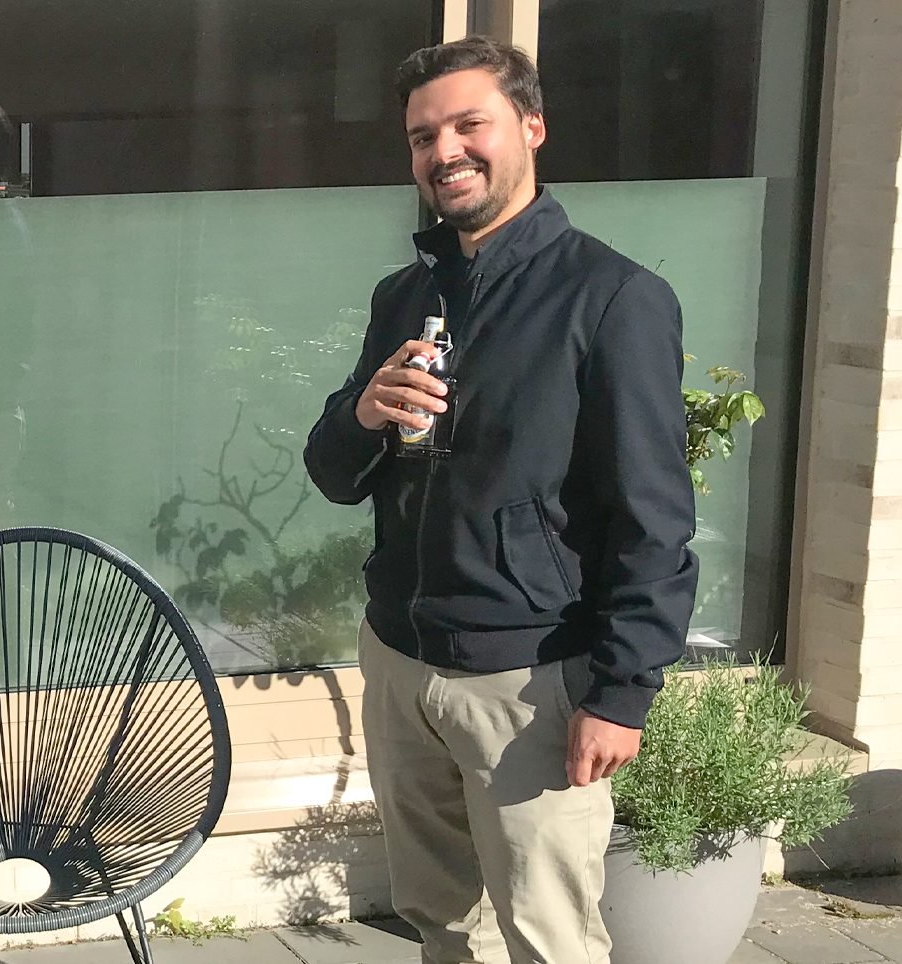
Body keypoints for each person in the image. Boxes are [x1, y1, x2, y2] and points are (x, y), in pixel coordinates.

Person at [302, 37, 699, 963]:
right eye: (422, 136)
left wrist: (623, 693)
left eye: (468, 125)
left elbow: (653, 519)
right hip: (400, 663)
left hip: (529, 681)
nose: (445, 151)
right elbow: (333, 475)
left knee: (549, 941)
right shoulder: (405, 295)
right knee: (438, 924)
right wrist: (363, 414)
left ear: (531, 128)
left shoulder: (613, 298)